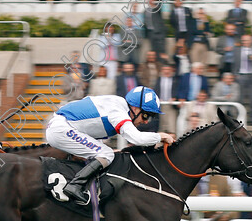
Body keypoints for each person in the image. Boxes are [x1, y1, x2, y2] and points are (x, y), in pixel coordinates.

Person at [45, 86, 174, 204]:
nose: (146, 121)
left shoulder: (117, 103)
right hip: (61, 129)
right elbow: (137, 138)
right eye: (146, 115)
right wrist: (160, 136)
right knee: (106, 154)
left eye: (150, 118)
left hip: (62, 126)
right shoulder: (118, 112)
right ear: (135, 108)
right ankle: (75, 185)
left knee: (106, 153)